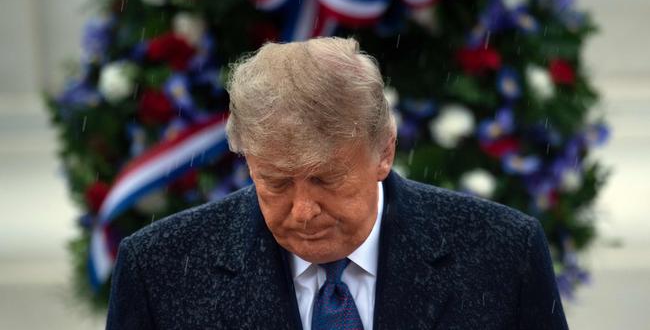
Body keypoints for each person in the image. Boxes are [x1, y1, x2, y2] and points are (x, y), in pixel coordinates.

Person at [107, 37, 569, 329]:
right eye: (277, 182)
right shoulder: (159, 270)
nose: (303, 210)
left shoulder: (504, 253)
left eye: (327, 179)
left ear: (383, 152)